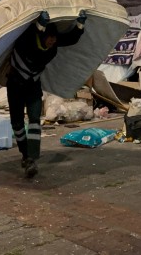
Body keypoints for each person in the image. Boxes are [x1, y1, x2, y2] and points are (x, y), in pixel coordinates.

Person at [7, 10, 87, 178]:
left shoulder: (53, 43)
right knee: (17, 123)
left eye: (54, 39)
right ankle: (24, 154)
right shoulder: (26, 40)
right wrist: (40, 24)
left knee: (35, 119)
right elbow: (29, 35)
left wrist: (80, 24)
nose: (52, 42)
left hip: (33, 85)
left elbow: (70, 39)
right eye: (50, 39)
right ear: (42, 35)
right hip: (15, 84)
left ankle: (31, 158)